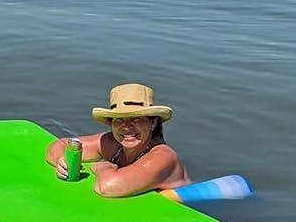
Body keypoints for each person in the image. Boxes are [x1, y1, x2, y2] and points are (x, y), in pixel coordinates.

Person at [45, 82, 189, 199]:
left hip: (184, 213)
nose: (126, 127)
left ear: (153, 123)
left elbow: (107, 187)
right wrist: (63, 161)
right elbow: (59, 145)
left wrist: (104, 167)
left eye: (136, 119)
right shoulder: (113, 144)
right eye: (119, 120)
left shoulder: (163, 157)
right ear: (111, 124)